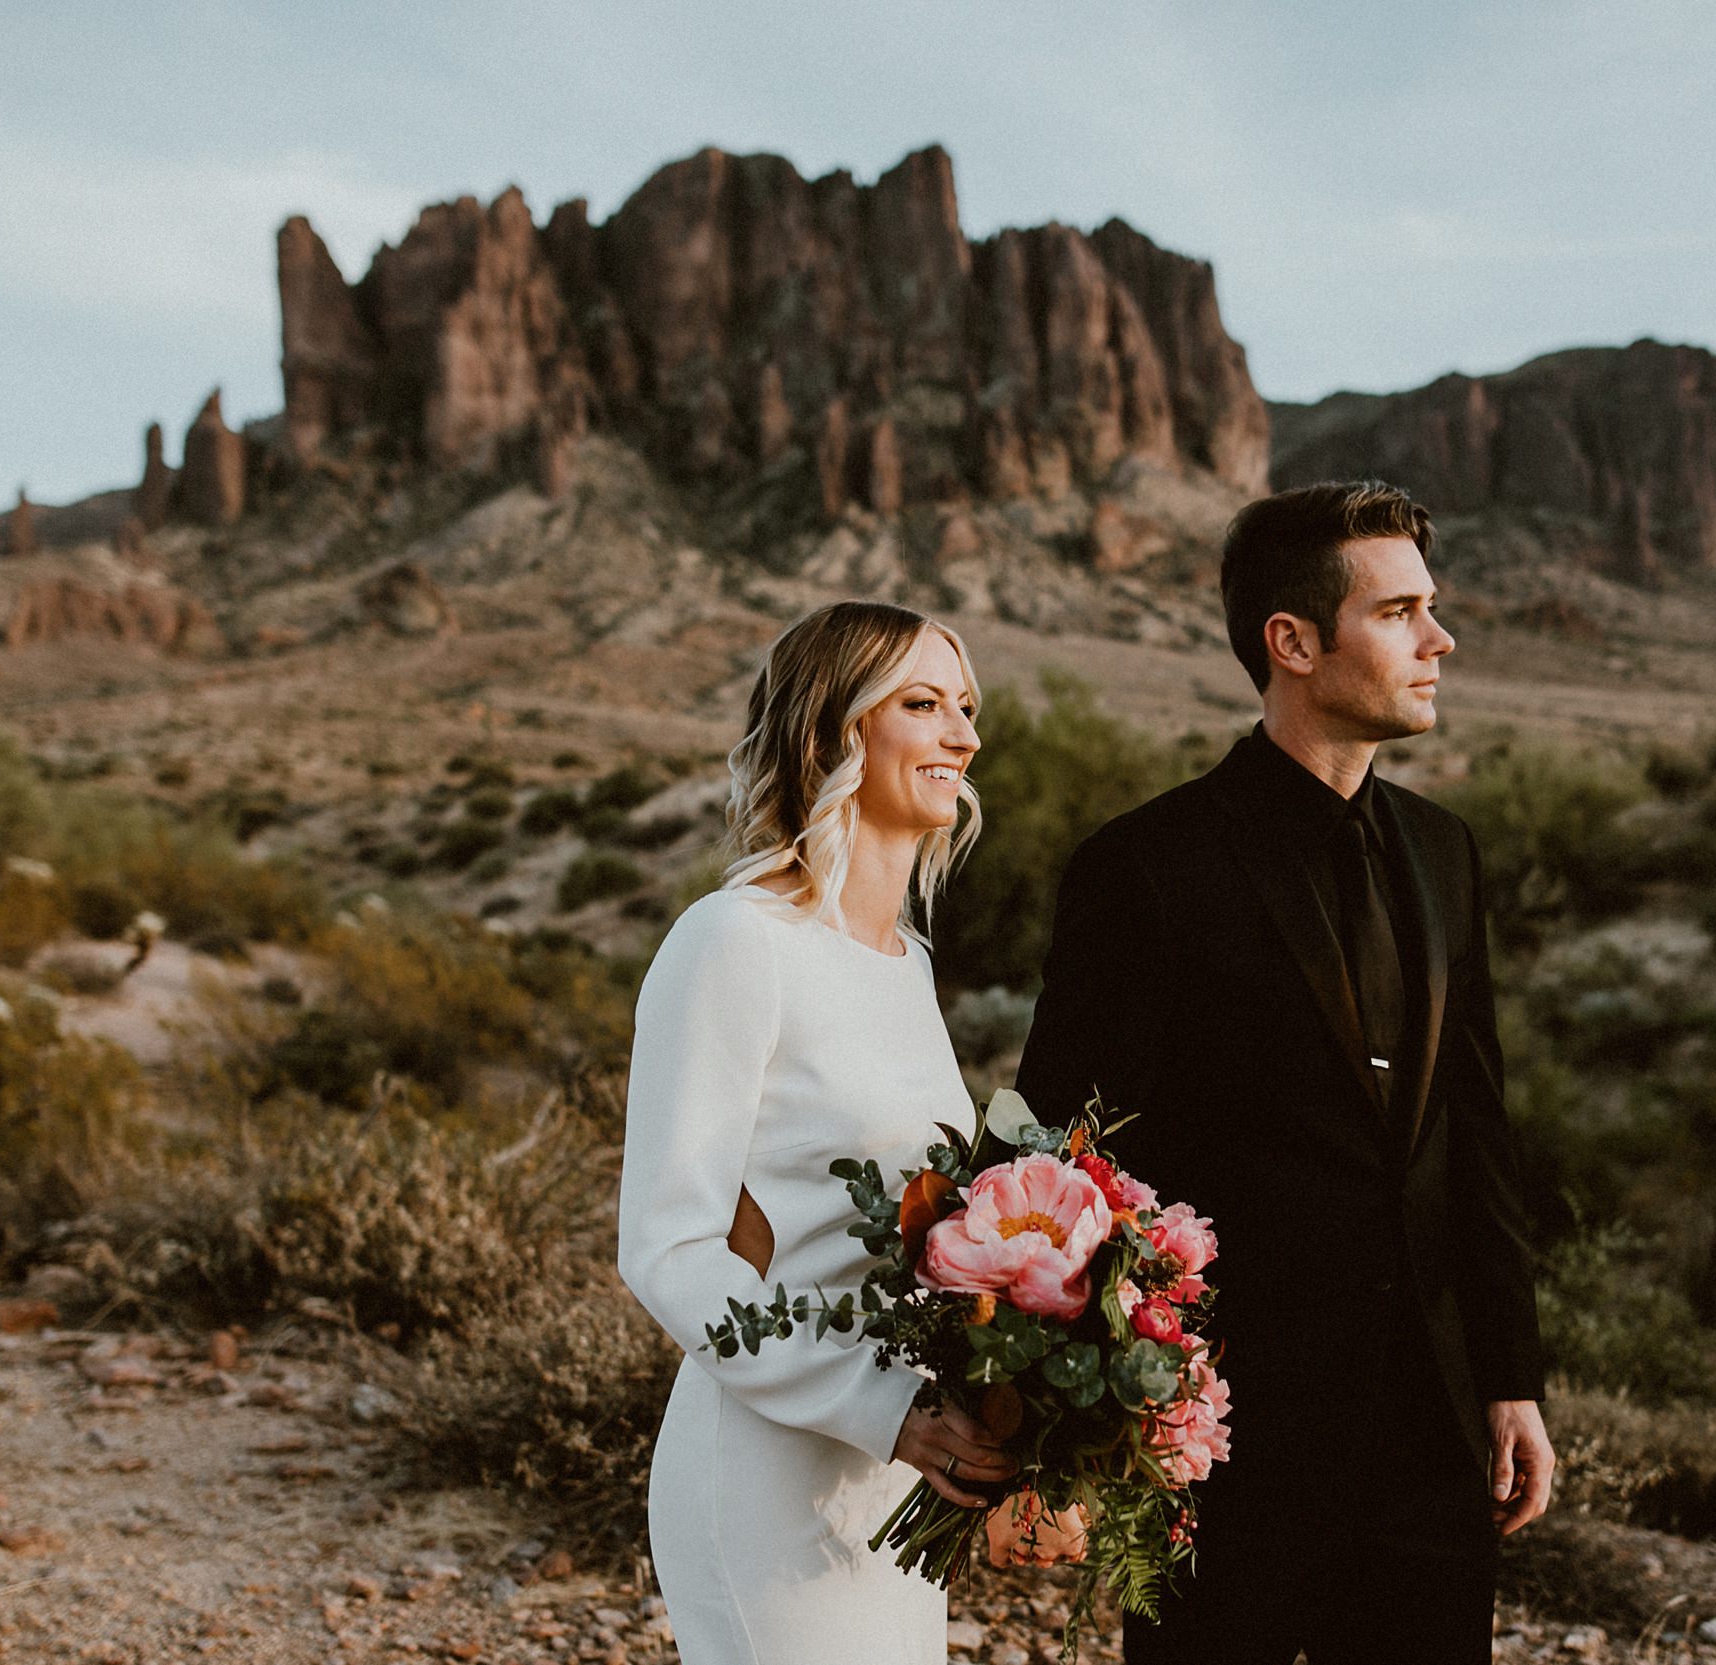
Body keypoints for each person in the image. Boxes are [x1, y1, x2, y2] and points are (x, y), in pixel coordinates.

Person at [1016, 480, 1555, 1664]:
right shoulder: (1145, 867)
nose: (1439, 640)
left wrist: (1508, 1379)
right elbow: (1064, 1166)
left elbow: (1476, 1133)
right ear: (1294, 642)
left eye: (1432, 608)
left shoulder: (1443, 852)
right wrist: (1083, 1420)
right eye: (1401, 612)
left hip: (1431, 1435)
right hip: (1223, 1447)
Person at [617, 600, 1031, 1665]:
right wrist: (884, 1408)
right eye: (923, 704)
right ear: (831, 732)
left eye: (967, 708)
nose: (963, 737)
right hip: (768, 1472)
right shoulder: (733, 942)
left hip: (891, 1476)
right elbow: (668, 1246)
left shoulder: (908, 964)